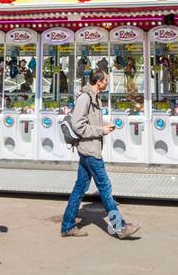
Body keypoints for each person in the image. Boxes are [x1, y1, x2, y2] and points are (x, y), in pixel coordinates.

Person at [60, 70, 140, 240]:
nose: (107, 82)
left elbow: (91, 121)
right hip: (90, 150)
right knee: (105, 188)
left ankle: (68, 226)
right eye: (106, 80)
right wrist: (101, 130)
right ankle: (120, 226)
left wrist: (105, 125)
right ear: (99, 82)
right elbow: (78, 124)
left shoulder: (95, 98)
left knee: (79, 188)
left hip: (90, 149)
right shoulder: (85, 98)